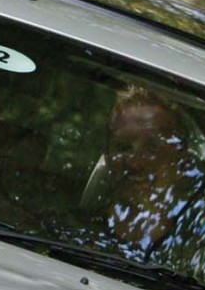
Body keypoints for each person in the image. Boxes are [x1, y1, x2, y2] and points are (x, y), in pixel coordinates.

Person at [81, 80, 191, 256]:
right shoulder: (74, 232)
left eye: (153, 148)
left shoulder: (197, 250)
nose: (135, 163)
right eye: (123, 147)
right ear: (107, 156)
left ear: (182, 163)